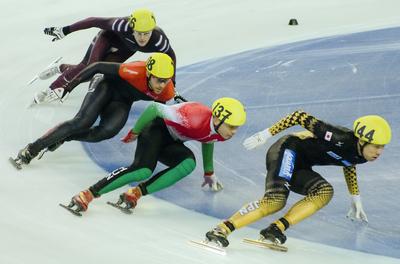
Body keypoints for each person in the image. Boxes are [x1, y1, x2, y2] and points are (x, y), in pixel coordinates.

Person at [205, 110, 391, 247]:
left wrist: (355, 197)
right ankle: (222, 229)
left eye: (382, 147)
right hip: (287, 149)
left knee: (325, 192)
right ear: (362, 140)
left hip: (301, 165)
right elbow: (299, 116)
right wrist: (267, 133)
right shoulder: (338, 137)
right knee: (275, 201)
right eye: (376, 146)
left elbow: (349, 162)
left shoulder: (361, 154)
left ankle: (275, 229)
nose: (379, 152)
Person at [63, 97, 247, 215]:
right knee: (143, 170)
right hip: (155, 130)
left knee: (188, 164)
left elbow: (208, 139)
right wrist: (135, 132)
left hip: (172, 142)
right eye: (232, 126)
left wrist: (208, 172)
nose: (234, 131)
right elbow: (154, 109)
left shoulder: (221, 132)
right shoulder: (193, 116)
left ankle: (135, 193)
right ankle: (89, 193)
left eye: (237, 127)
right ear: (217, 119)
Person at [14, 53, 176, 167]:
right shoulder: (134, 70)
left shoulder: (167, 91)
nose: (162, 85)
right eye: (159, 80)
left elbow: (159, 114)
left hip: (122, 101)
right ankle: (32, 149)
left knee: (106, 132)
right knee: (82, 122)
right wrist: (68, 87)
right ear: (148, 73)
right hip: (105, 85)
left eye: (166, 80)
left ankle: (64, 137)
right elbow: (97, 66)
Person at [33, 8, 176, 104]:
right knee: (89, 66)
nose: (143, 38)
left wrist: (173, 83)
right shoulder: (121, 25)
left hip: (126, 49)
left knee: (94, 73)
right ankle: (51, 89)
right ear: (132, 29)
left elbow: (171, 56)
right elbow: (94, 21)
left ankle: (60, 67)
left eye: (147, 33)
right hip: (107, 38)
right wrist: (65, 30)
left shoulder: (159, 41)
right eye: (139, 33)